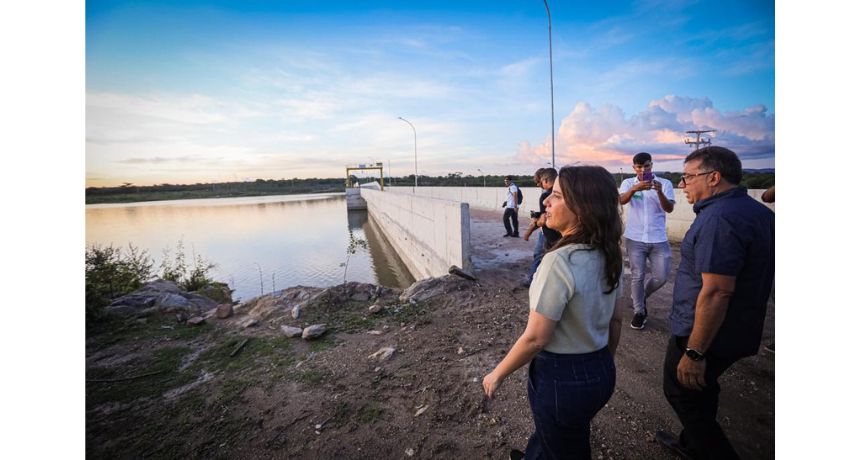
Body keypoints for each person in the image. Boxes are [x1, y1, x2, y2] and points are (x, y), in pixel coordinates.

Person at [483, 165, 625, 459]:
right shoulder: (608, 252)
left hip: (563, 377)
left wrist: (496, 374)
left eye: (557, 196)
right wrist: (601, 364)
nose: (546, 200)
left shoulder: (559, 261)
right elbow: (616, 319)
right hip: (599, 369)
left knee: (565, 447)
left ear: (582, 210)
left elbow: (536, 339)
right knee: (563, 433)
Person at [655, 147, 774, 460]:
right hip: (740, 326)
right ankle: (692, 443)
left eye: (688, 178)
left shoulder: (720, 219)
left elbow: (717, 291)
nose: (683, 185)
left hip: (707, 332)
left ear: (714, 178)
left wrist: (694, 352)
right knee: (700, 388)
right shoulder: (757, 211)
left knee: (680, 390)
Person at [618, 152, 675, 330]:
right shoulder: (628, 183)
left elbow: (669, 208)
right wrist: (635, 189)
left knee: (661, 277)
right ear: (634, 167)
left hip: (658, 238)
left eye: (647, 166)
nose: (644, 170)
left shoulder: (664, 184)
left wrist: (658, 192)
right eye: (640, 167)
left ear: (652, 165)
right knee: (638, 276)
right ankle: (639, 311)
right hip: (635, 237)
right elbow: (620, 200)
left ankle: (640, 298)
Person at [523, 168, 561, 287]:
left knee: (539, 256)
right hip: (561, 233)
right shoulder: (566, 193)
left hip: (549, 234)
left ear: (545, 180)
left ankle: (531, 280)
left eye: (539, 183)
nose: (539, 185)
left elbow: (545, 219)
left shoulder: (545, 196)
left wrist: (529, 230)